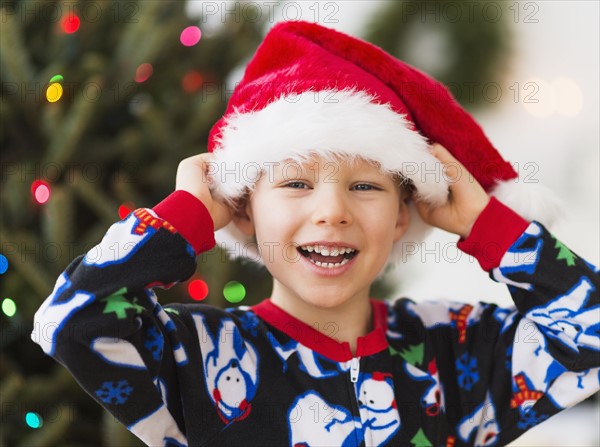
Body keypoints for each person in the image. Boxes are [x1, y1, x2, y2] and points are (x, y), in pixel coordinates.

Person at [32, 20, 599, 447]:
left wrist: (487, 227)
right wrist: (187, 214)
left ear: (404, 215)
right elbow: (72, 321)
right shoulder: (195, 356)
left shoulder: (455, 349)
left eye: (366, 188)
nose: (332, 211)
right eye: (297, 184)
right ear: (243, 211)